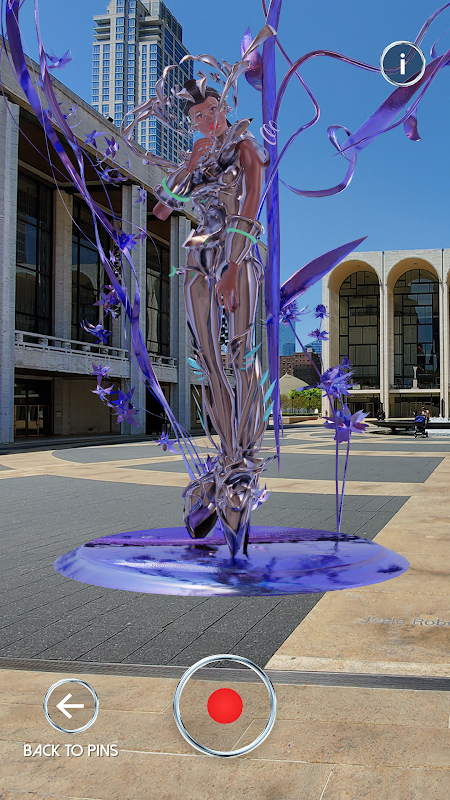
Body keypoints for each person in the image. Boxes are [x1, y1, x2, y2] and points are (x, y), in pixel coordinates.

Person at [152, 79, 269, 556]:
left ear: (225, 106)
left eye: (211, 109)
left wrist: (234, 265)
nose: (205, 119)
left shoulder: (246, 146)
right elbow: (164, 204)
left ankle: (239, 466)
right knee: (207, 359)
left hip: (238, 252)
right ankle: (224, 467)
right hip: (199, 252)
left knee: (241, 356)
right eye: (197, 116)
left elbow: (252, 203)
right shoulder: (199, 152)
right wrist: (180, 177)